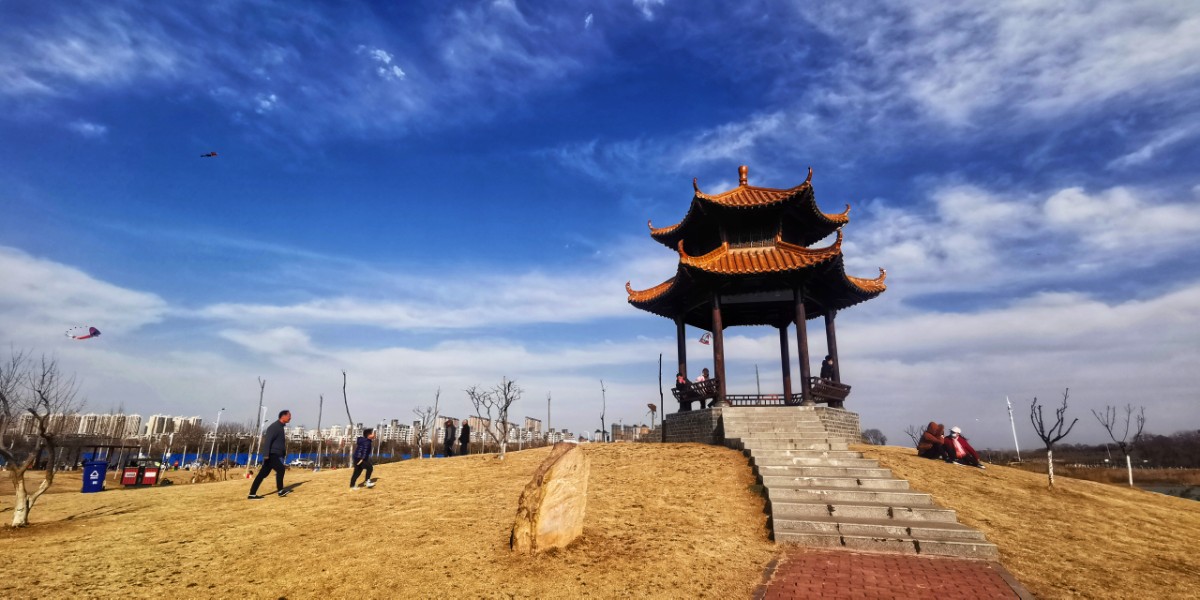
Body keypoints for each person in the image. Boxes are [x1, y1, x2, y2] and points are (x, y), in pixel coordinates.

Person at [248, 409, 292, 499]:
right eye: (289, 416)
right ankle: (280, 491)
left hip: (274, 454)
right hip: (271, 454)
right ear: (283, 416)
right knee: (281, 469)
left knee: (262, 474)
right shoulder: (274, 427)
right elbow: (268, 441)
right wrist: (266, 455)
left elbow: (279, 443)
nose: (290, 417)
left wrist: (283, 453)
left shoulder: (280, 427)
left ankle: (252, 494)